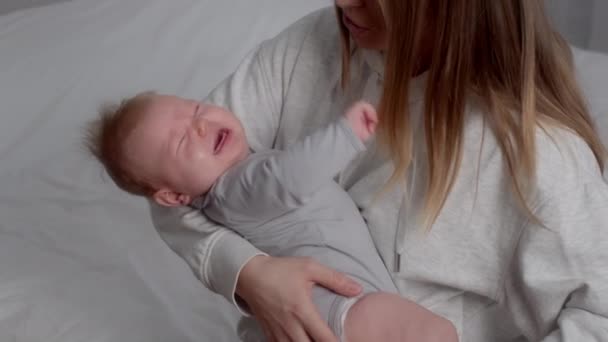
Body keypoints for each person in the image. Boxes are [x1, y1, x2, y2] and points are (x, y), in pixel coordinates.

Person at [150, 0, 608, 341]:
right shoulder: (316, 43)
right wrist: (250, 275)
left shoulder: (535, 158)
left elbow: (597, 316)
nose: (344, 2)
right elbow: (170, 178)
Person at [85, 93, 457, 341]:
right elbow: (291, 175)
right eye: (182, 142)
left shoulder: (230, 195)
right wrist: (346, 134)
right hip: (333, 310)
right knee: (435, 334)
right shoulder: (236, 189)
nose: (200, 125)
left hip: (326, 312)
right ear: (173, 196)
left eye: (197, 109)